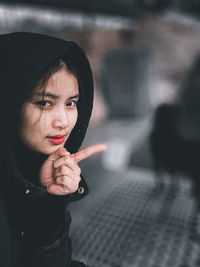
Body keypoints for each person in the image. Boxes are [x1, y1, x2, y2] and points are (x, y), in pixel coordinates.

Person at [0, 32, 106, 267]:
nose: (63, 121)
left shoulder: (30, 167)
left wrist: (51, 203)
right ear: (8, 102)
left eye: (71, 103)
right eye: (45, 103)